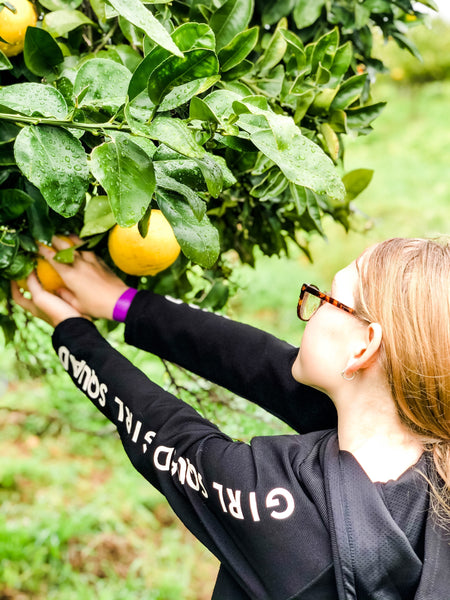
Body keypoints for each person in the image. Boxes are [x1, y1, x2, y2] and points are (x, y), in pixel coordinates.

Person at [11, 236, 450, 599]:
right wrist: (124, 303)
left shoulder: (278, 505)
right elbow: (264, 366)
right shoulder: (426, 460)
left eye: (326, 299)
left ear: (363, 348)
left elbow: (167, 432)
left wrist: (70, 329)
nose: (312, 306)